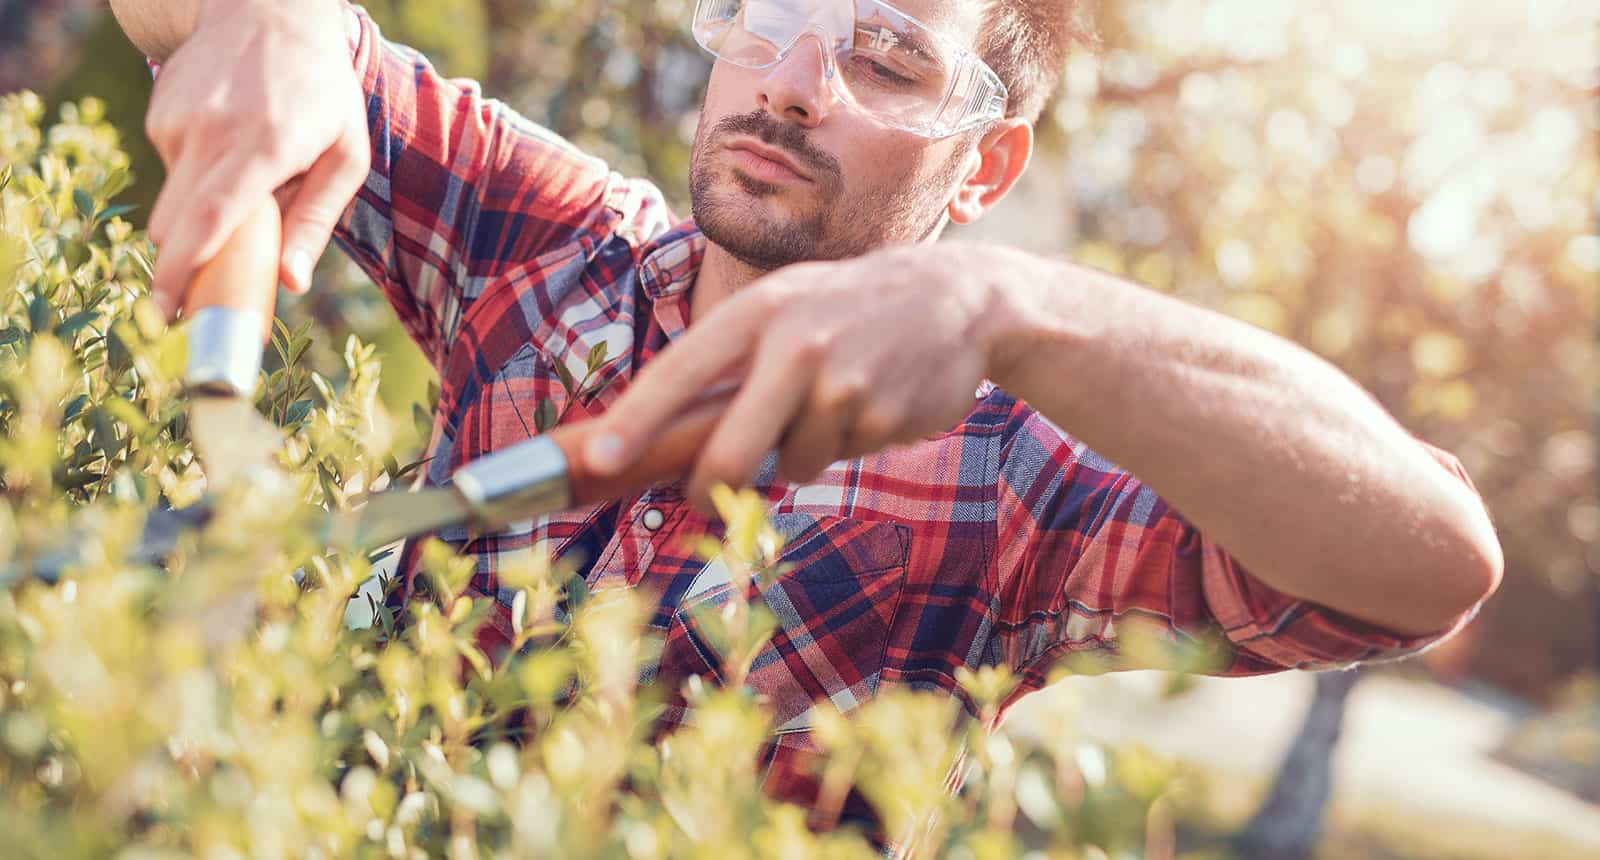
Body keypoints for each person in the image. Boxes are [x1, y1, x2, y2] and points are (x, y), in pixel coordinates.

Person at [110, 0, 1501, 835]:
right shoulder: (553, 244)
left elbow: (1428, 564)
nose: (789, 82)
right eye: (770, 22)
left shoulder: (1015, 472)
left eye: (888, 61)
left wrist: (1014, 312)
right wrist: (274, 22)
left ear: (983, 166)